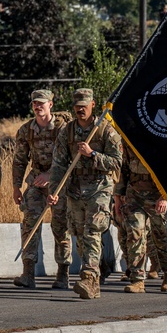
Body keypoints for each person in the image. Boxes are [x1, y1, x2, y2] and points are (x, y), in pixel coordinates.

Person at [47, 88, 124, 299]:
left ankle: (89, 278)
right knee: (79, 235)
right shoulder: (68, 132)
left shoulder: (105, 130)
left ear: (93, 105)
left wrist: (92, 154)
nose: (81, 109)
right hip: (75, 189)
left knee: (92, 230)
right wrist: (55, 192)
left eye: (85, 105)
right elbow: (58, 165)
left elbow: (116, 162)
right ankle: (95, 275)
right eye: (77, 106)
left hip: (99, 188)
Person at [11, 89, 73, 289]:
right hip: (36, 182)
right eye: (35, 104)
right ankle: (28, 274)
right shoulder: (26, 129)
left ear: (51, 105)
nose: (38, 107)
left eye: (42, 103)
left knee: (60, 226)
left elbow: (72, 160)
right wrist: (16, 187)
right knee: (30, 222)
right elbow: (19, 160)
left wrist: (52, 176)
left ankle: (63, 275)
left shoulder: (64, 129)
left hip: (60, 181)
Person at [113, 146, 167, 293]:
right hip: (135, 193)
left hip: (157, 194)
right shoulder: (130, 138)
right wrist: (118, 197)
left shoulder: (158, 136)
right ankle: (137, 279)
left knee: (162, 235)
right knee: (134, 234)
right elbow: (123, 169)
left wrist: (165, 196)